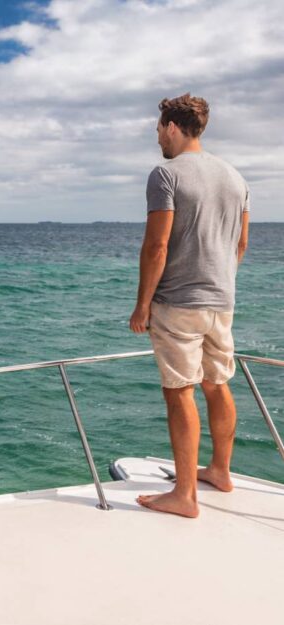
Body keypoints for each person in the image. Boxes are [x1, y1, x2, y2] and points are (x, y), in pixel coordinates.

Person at [129, 94, 250, 518]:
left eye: (159, 129)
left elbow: (157, 245)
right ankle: (220, 471)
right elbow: (240, 242)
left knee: (179, 391)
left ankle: (184, 495)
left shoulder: (166, 174)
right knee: (217, 385)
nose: (158, 137)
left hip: (179, 302)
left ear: (174, 127)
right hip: (222, 300)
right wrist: (220, 281)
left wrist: (142, 304)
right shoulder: (235, 177)